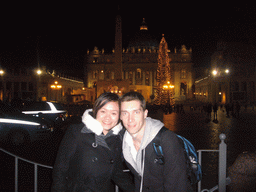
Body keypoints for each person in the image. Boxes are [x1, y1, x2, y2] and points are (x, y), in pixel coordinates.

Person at [52, 92, 134, 192]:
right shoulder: (77, 132)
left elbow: (117, 172)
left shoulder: (117, 139)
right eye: (103, 111)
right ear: (96, 111)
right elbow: (60, 169)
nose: (107, 117)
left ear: (119, 116)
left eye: (113, 113)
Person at [120, 92, 192, 192]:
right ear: (120, 116)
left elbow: (177, 185)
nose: (130, 119)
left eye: (136, 112)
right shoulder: (124, 140)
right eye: (125, 113)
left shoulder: (166, 139)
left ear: (145, 114)